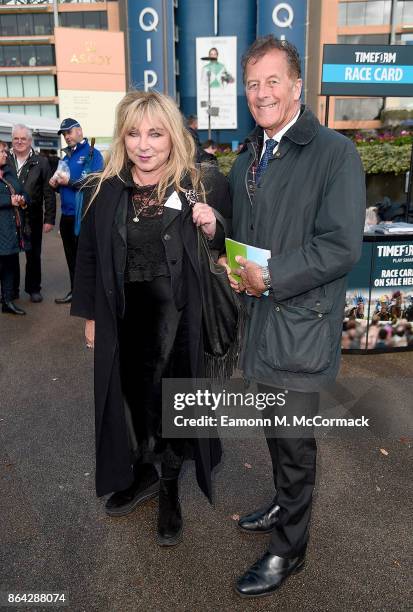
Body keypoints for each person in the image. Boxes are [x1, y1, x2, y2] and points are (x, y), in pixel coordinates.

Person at [223, 36, 366, 598]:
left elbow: (340, 247)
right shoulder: (250, 153)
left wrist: (274, 275)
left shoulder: (334, 153)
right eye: (253, 83)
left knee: (296, 444)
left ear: (297, 85)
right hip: (259, 325)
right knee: (274, 433)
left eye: (272, 81)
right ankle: (283, 505)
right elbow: (249, 230)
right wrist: (220, 232)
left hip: (300, 327)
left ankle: (289, 550)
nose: (261, 93)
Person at [71, 91, 230, 546]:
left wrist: (212, 224)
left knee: (173, 408)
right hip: (123, 323)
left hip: (179, 323)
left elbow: (228, 241)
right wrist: (90, 316)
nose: (144, 144)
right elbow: (89, 257)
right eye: (134, 133)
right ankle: (140, 475)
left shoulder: (197, 185)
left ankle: (169, 488)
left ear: (172, 137)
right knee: (128, 405)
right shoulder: (105, 190)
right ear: (123, 137)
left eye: (155, 133)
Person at [49, 118, 104, 305]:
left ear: (79, 131)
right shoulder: (66, 157)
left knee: (86, 258)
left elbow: (94, 183)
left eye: (69, 132)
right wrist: (55, 184)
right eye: (64, 134)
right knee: (71, 257)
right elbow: (63, 186)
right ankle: (75, 292)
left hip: (84, 215)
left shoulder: (92, 154)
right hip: (66, 216)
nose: (66, 136)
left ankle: (91, 296)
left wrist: (68, 182)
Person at [8, 124, 56, 303]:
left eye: (23, 138)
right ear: (12, 140)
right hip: (8, 215)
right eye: (16, 138)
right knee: (9, 254)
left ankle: (34, 288)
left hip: (32, 216)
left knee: (33, 255)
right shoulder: (5, 159)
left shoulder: (41, 162)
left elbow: (49, 192)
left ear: (30, 141)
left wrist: (49, 218)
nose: (19, 142)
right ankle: (11, 289)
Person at [0, 140, 29, 315]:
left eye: (5, 151)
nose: (5, 154)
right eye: (2, 152)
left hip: (10, 229)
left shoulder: (9, 173)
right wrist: (8, 201)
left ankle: (7, 300)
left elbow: (22, 191)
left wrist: (22, 199)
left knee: (10, 265)